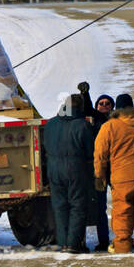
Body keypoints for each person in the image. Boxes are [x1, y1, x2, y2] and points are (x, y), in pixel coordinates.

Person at [94, 93, 134, 254]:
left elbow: (100, 154)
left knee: (122, 212)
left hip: (122, 177)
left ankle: (123, 247)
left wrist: (100, 176)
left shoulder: (110, 126)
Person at [42, 92, 96, 253]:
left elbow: (46, 146)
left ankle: (63, 242)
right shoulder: (82, 125)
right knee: (77, 205)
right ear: (80, 107)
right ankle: (73, 244)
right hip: (75, 169)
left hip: (54, 169)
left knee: (59, 206)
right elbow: (90, 151)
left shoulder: (50, 124)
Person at [88, 92, 115, 251]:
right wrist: (86, 94)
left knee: (121, 205)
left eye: (107, 103)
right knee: (100, 207)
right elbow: (87, 108)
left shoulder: (116, 122)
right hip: (100, 169)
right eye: (101, 103)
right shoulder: (95, 119)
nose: (104, 105)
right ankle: (103, 240)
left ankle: (124, 237)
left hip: (115, 168)